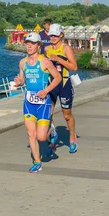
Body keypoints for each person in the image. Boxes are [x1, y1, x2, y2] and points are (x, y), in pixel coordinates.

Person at [13, 32, 61, 173]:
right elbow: (22, 80)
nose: (29, 46)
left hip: (43, 103)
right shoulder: (22, 62)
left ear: (38, 45)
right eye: (27, 43)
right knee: (31, 134)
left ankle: (51, 132)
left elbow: (57, 78)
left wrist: (46, 90)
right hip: (29, 103)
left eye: (32, 43)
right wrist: (19, 82)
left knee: (41, 137)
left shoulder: (45, 61)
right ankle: (37, 162)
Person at [46, 23, 80, 154]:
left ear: (61, 35)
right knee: (47, 115)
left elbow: (74, 67)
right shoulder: (47, 49)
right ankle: (52, 138)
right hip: (52, 84)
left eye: (55, 35)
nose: (53, 38)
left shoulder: (66, 48)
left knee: (67, 115)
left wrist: (58, 59)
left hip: (64, 84)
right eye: (51, 35)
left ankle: (72, 136)